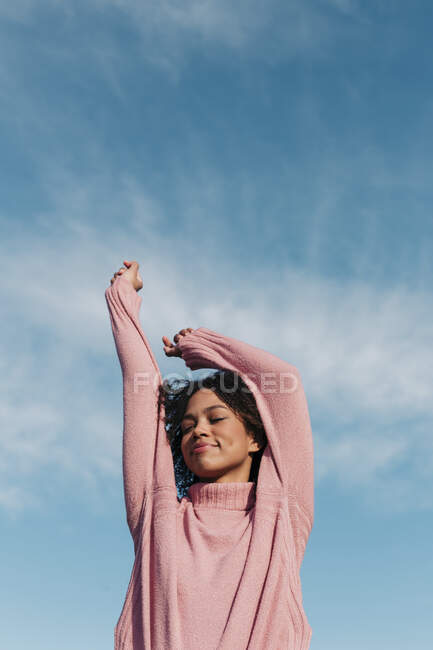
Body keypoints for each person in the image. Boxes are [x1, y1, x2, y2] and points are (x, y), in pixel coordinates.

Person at [105, 260, 314, 650]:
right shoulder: (158, 512)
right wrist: (122, 297)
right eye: (186, 427)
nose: (198, 430)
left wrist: (201, 348)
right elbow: (140, 388)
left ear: (255, 438)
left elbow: (285, 384)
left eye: (216, 418)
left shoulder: (282, 512)